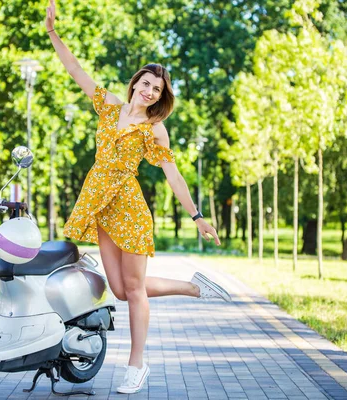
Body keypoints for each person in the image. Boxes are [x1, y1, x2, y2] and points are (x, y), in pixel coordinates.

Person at [46, 0, 231, 394]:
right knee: (120, 288)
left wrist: (197, 216)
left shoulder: (153, 129)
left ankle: (136, 365)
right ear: (134, 83)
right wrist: (52, 33)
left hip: (129, 209)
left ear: (160, 97)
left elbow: (174, 176)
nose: (148, 92)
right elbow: (76, 70)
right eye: (145, 83)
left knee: (133, 291)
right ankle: (194, 288)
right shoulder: (110, 107)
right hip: (100, 205)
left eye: (156, 89)